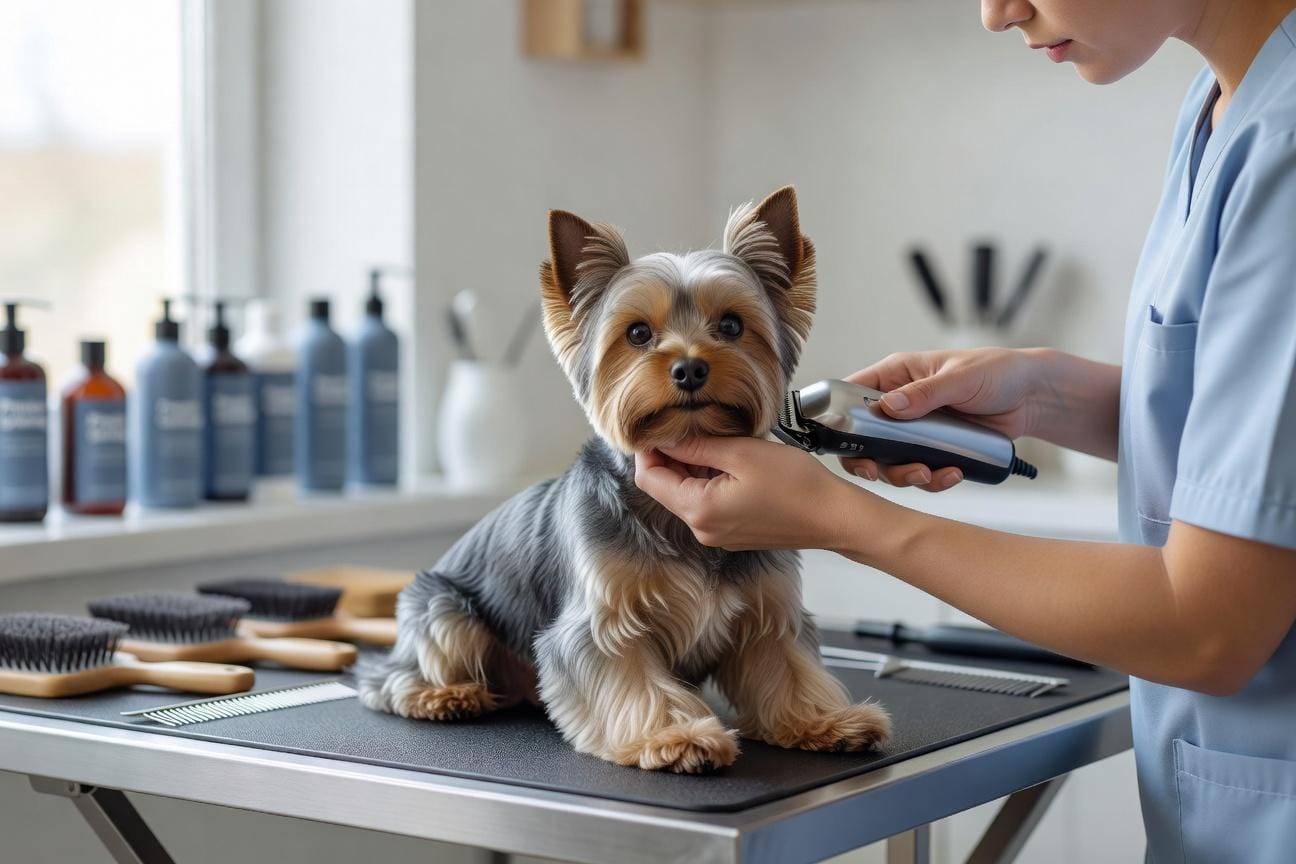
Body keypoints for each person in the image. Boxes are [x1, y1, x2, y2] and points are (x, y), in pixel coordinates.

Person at [634, 1, 1296, 860]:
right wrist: (1044, 396)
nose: (996, 13)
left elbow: (1208, 627)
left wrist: (843, 522)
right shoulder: (1221, 105)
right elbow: (1250, 427)